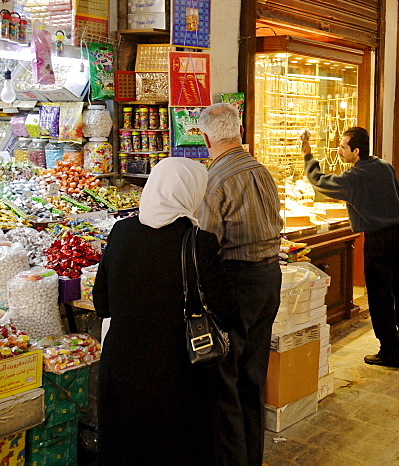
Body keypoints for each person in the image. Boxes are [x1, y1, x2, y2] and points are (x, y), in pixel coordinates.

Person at [94, 158, 237, 463]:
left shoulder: (120, 232)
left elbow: (101, 305)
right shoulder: (199, 242)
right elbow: (227, 312)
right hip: (177, 377)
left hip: (121, 372)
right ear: (191, 193)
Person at [196, 102, 283, 466]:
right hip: (269, 279)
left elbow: (207, 243)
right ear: (240, 133)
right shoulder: (260, 170)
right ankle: (253, 457)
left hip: (238, 282)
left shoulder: (215, 180)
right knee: (252, 375)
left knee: (227, 380)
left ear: (205, 138)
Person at [300, 127, 399, 368]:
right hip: (398, 234)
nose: (339, 150)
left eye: (343, 147)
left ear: (356, 150)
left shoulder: (355, 177)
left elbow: (320, 182)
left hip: (379, 240)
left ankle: (390, 352)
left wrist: (307, 155)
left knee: (379, 297)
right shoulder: (384, 166)